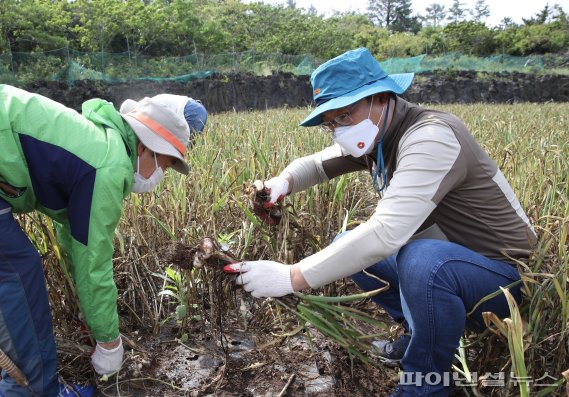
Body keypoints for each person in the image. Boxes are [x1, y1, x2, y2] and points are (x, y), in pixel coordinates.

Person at [226, 48, 536, 397]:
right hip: (453, 263)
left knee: (423, 261)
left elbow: (386, 234)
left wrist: (291, 276)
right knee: (348, 242)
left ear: (381, 97)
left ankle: (425, 387)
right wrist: (281, 183)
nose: (340, 128)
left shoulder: (430, 137)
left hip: (503, 280)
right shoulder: (380, 135)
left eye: (346, 114)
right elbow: (315, 164)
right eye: (331, 122)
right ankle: (417, 333)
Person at [0, 85, 207, 397]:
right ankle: (30, 391)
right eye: (164, 165)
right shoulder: (107, 166)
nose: (161, 176)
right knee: (18, 270)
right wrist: (109, 342)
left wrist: (91, 316)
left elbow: (72, 238)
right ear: (144, 148)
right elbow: (94, 262)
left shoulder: (99, 143)